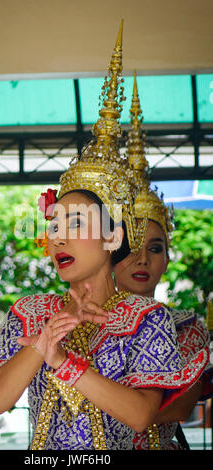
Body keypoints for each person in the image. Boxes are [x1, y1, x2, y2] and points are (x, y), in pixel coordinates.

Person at [0, 23, 209, 451]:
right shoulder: (32, 313)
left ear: (112, 238)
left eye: (76, 224)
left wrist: (63, 363)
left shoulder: (148, 319)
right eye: (54, 226)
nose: (58, 239)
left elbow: (141, 413)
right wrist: (40, 346)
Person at [113, 74, 213, 450]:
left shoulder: (186, 327)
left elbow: (180, 406)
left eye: (155, 248)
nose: (142, 258)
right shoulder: (83, 321)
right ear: (108, 253)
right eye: (130, 245)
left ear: (167, 259)